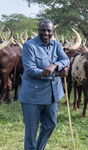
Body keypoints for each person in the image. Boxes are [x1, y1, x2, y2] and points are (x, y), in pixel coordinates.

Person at [18, 19, 70, 150]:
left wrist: (55, 65)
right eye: (43, 30)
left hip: (51, 95)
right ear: (38, 30)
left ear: (53, 32)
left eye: (49, 30)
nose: (46, 33)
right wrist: (57, 74)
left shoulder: (56, 45)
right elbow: (30, 71)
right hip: (32, 96)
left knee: (50, 124)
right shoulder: (30, 46)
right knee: (31, 131)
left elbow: (65, 59)